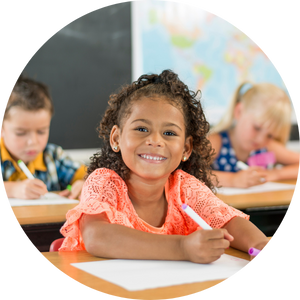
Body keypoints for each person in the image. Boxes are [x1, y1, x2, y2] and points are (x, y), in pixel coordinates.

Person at [59, 70, 271, 264]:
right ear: (116, 138)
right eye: (141, 128)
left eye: (169, 133)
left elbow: (229, 222)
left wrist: (261, 246)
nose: (155, 141)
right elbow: (97, 236)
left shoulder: (185, 188)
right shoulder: (104, 182)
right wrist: (182, 248)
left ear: (186, 148)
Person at [0, 75, 86, 199]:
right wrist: (12, 189)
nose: (32, 142)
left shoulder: (53, 156)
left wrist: (84, 183)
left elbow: (91, 175)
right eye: (21, 133)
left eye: (41, 131)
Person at [208, 82, 300, 188]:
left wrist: (275, 174)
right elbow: (189, 171)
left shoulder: (267, 147)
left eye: (270, 135)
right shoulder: (216, 142)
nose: (261, 139)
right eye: (257, 128)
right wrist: (232, 180)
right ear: (239, 111)